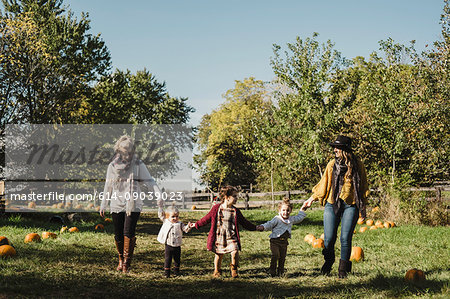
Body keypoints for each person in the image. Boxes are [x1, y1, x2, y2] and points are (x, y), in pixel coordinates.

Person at [302, 135, 369, 278]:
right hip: (332, 203)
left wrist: (363, 206)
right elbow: (323, 183)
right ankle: (329, 260)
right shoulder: (332, 164)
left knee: (345, 238)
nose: (335, 150)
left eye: (337, 147)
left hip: (351, 205)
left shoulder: (358, 164)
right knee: (328, 239)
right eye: (334, 147)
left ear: (345, 149)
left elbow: (363, 186)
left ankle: (342, 270)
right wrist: (311, 199)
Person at [100, 135, 161, 273]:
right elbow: (108, 186)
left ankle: (127, 263)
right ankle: (121, 258)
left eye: (129, 151)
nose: (127, 154)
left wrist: (158, 194)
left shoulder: (138, 164)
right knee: (118, 234)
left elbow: (149, 181)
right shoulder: (112, 166)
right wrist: (103, 204)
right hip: (116, 202)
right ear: (119, 151)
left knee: (128, 232)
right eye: (124, 151)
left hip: (133, 203)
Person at [190, 185, 257, 278]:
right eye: (234, 196)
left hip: (231, 236)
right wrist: (196, 224)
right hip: (220, 236)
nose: (236, 198)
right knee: (219, 255)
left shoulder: (235, 211)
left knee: (235, 251)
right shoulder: (216, 208)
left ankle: (234, 269)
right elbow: (206, 218)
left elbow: (244, 222)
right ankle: (217, 270)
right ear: (227, 197)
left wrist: (255, 227)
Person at [256, 198, 308, 277]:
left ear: (290, 211)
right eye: (283, 210)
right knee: (276, 255)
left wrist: (302, 210)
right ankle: (272, 271)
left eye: (288, 210)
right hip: (275, 241)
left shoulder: (291, 219)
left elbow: (299, 218)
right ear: (279, 210)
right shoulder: (277, 219)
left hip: (284, 242)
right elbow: (269, 224)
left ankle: (280, 272)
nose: (285, 212)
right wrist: (262, 227)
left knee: (282, 257)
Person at [157, 199, 192, 278]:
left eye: (177, 216)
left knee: (177, 259)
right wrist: (160, 207)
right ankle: (167, 272)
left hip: (177, 245)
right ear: (168, 217)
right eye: (173, 217)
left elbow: (185, 229)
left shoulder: (180, 224)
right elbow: (160, 215)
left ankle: (176, 271)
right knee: (168, 259)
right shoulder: (166, 221)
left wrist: (189, 226)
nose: (175, 218)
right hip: (168, 245)